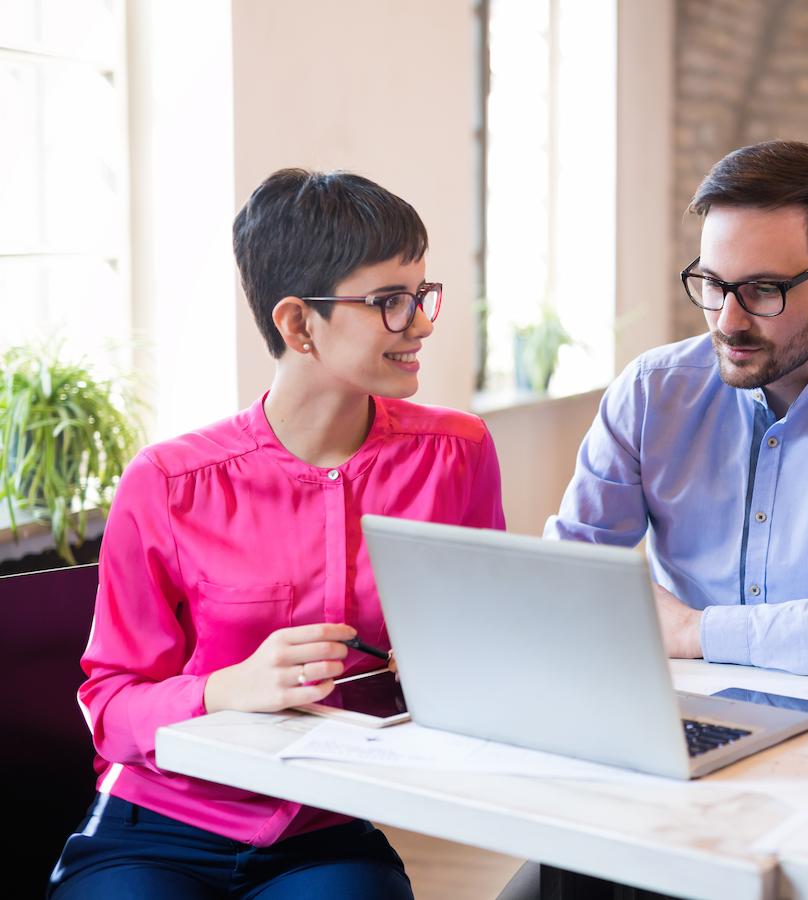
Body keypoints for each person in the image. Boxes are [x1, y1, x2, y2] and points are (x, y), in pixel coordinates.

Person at [48, 169, 505, 898]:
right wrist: (228, 688)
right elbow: (111, 708)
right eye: (390, 301)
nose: (421, 322)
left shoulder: (456, 453)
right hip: (156, 824)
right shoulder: (168, 482)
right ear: (298, 324)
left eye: (421, 294)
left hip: (323, 833)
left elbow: (484, 641)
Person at [545, 140, 808, 678]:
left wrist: (692, 630)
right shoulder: (651, 393)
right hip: (676, 703)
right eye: (714, 285)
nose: (727, 321)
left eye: (764, 290)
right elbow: (568, 573)